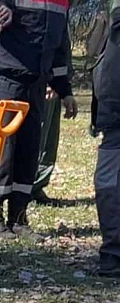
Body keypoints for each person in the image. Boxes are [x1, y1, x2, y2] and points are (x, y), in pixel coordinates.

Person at [0, 0, 75, 233]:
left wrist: (65, 90)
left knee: (29, 152)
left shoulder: (62, 3)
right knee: (3, 151)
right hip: (7, 80)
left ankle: (18, 216)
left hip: (37, 86)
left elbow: (60, 46)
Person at [92, 0, 120, 275]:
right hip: (113, 110)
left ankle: (112, 252)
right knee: (109, 180)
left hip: (112, 108)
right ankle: (112, 252)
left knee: (108, 180)